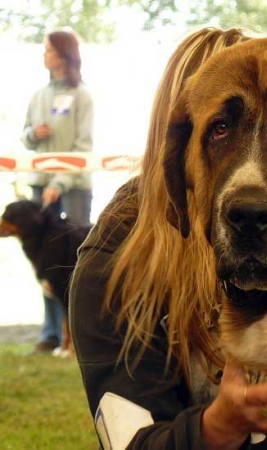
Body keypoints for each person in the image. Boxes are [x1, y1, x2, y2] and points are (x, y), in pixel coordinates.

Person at [70, 27, 267, 449]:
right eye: (223, 129)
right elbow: (130, 442)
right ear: (177, 135)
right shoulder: (115, 259)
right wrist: (220, 426)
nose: (256, 161)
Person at [22, 30, 93, 354]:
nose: (44, 54)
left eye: (49, 49)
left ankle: (79, 333)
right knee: (44, 264)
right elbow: (24, 139)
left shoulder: (82, 96)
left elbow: (83, 147)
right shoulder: (37, 95)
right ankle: (51, 334)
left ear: (63, 55)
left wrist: (59, 183)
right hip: (40, 185)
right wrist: (32, 134)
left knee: (77, 265)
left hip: (74, 187)